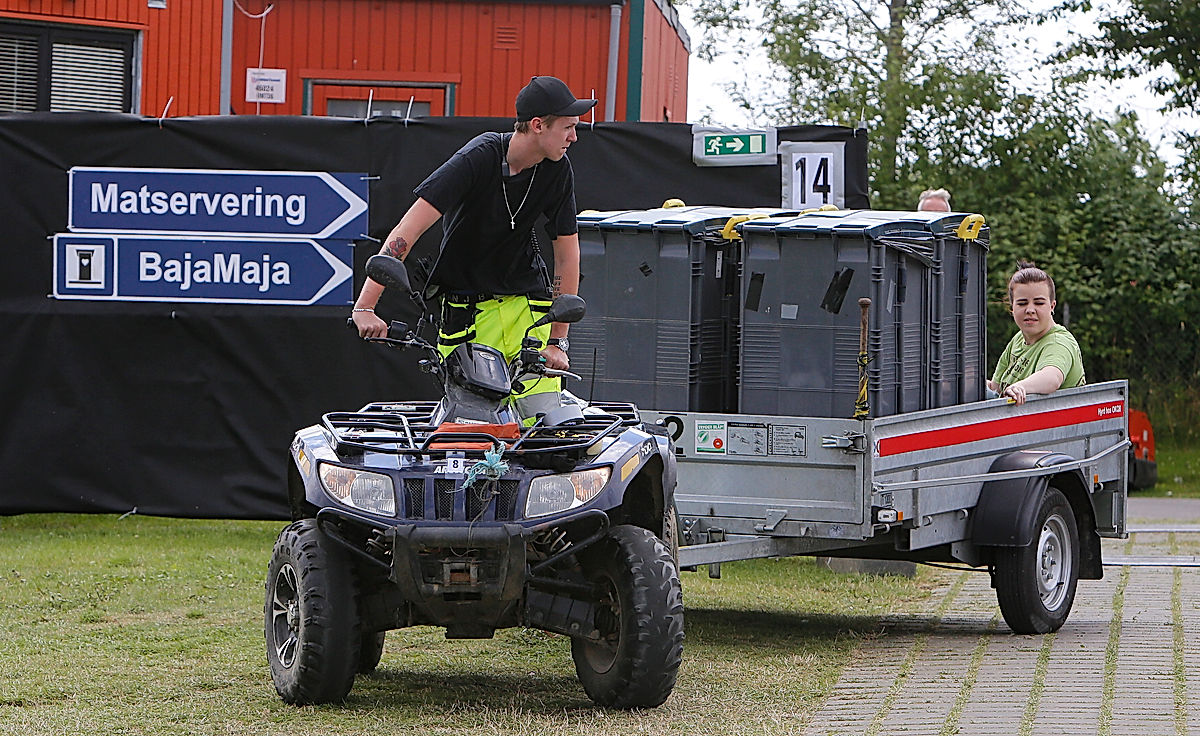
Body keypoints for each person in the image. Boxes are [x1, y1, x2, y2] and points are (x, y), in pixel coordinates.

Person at [352, 75, 595, 422]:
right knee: (474, 430)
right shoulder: (479, 157)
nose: (574, 137)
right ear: (538, 125)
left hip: (528, 314)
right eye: (568, 127)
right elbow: (408, 230)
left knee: (546, 427)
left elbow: (567, 255)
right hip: (468, 315)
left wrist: (558, 342)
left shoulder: (558, 169)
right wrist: (365, 306)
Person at [988, 262, 1086, 406]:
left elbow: (1052, 379)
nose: (1030, 310)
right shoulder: (1018, 340)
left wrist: (1020, 387)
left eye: (1039, 303)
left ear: (1052, 306)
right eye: (1022, 303)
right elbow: (995, 389)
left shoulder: (1058, 342)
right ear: (1012, 308)